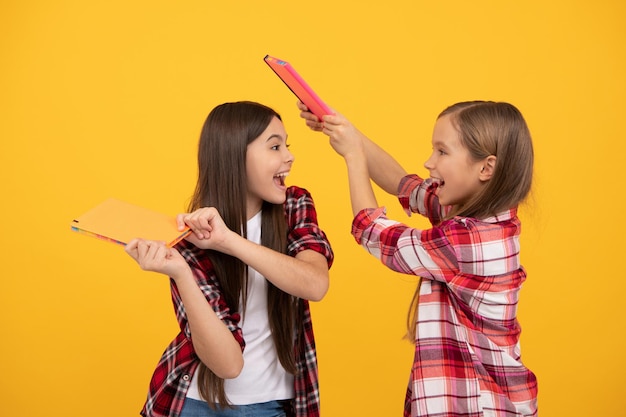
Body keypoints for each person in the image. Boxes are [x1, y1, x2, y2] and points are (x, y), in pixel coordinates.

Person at [298, 100, 538, 416]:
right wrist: (347, 132)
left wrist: (354, 156)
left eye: (442, 151)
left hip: (480, 407)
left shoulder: (471, 238)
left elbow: (374, 232)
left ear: (486, 167)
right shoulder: (483, 217)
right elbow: (404, 184)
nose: (429, 162)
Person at [125, 101, 334, 417]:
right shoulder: (191, 242)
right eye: (274, 147)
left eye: (286, 145)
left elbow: (315, 284)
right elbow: (228, 364)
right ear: (235, 156)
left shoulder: (294, 205)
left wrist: (228, 241)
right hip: (193, 404)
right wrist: (181, 273)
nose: (289, 156)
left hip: (273, 404)